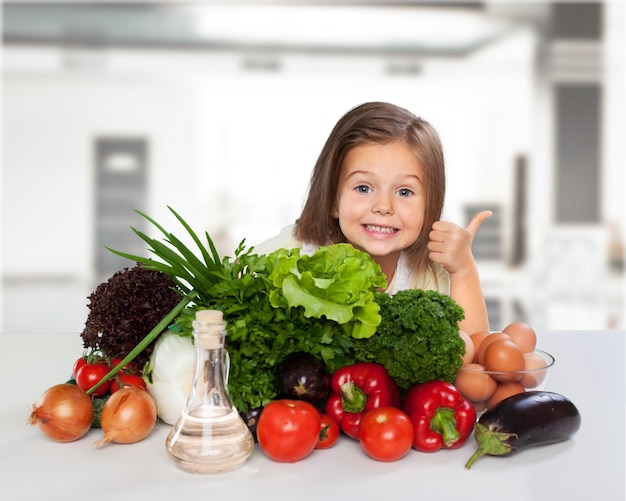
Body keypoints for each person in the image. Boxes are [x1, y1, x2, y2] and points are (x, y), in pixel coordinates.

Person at [254, 101, 491, 335]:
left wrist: (463, 270)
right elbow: (226, 299)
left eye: (404, 192)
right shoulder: (291, 251)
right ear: (333, 200)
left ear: (430, 205)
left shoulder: (428, 275)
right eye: (364, 188)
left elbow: (474, 353)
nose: (383, 206)